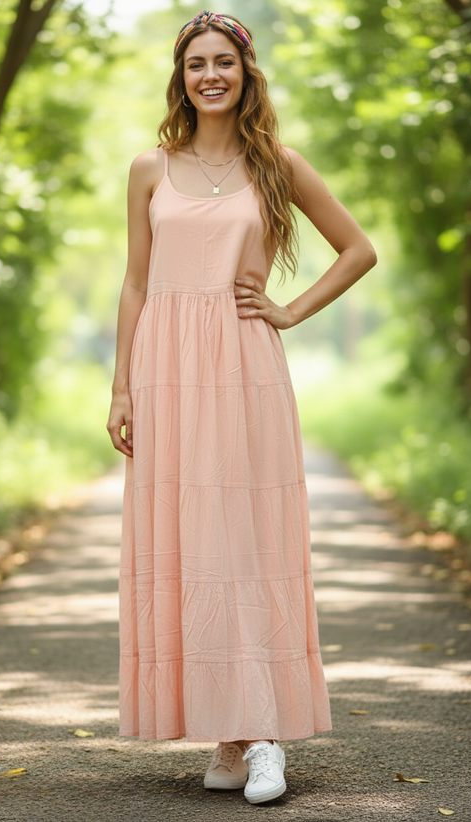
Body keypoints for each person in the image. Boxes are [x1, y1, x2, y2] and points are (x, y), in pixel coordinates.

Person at [107, 9, 376, 806]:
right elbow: (135, 281)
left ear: (246, 72)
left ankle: (263, 736)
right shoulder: (149, 169)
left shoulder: (277, 165)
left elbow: (358, 249)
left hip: (243, 364)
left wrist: (290, 310)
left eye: (224, 61)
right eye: (197, 64)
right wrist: (122, 384)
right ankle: (226, 729)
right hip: (165, 369)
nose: (211, 75)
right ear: (181, 78)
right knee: (188, 544)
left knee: (242, 543)